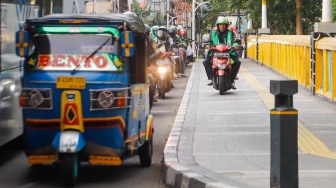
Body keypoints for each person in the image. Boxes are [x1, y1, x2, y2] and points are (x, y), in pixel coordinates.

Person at [202, 16, 241, 90]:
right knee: (206, 62)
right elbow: (209, 41)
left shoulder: (231, 33)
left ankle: (232, 80)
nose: (222, 27)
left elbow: (235, 41)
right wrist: (208, 45)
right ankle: (211, 78)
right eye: (220, 25)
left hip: (228, 52)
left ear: (226, 26)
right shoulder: (213, 33)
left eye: (223, 25)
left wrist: (235, 46)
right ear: (218, 26)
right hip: (215, 52)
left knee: (237, 62)